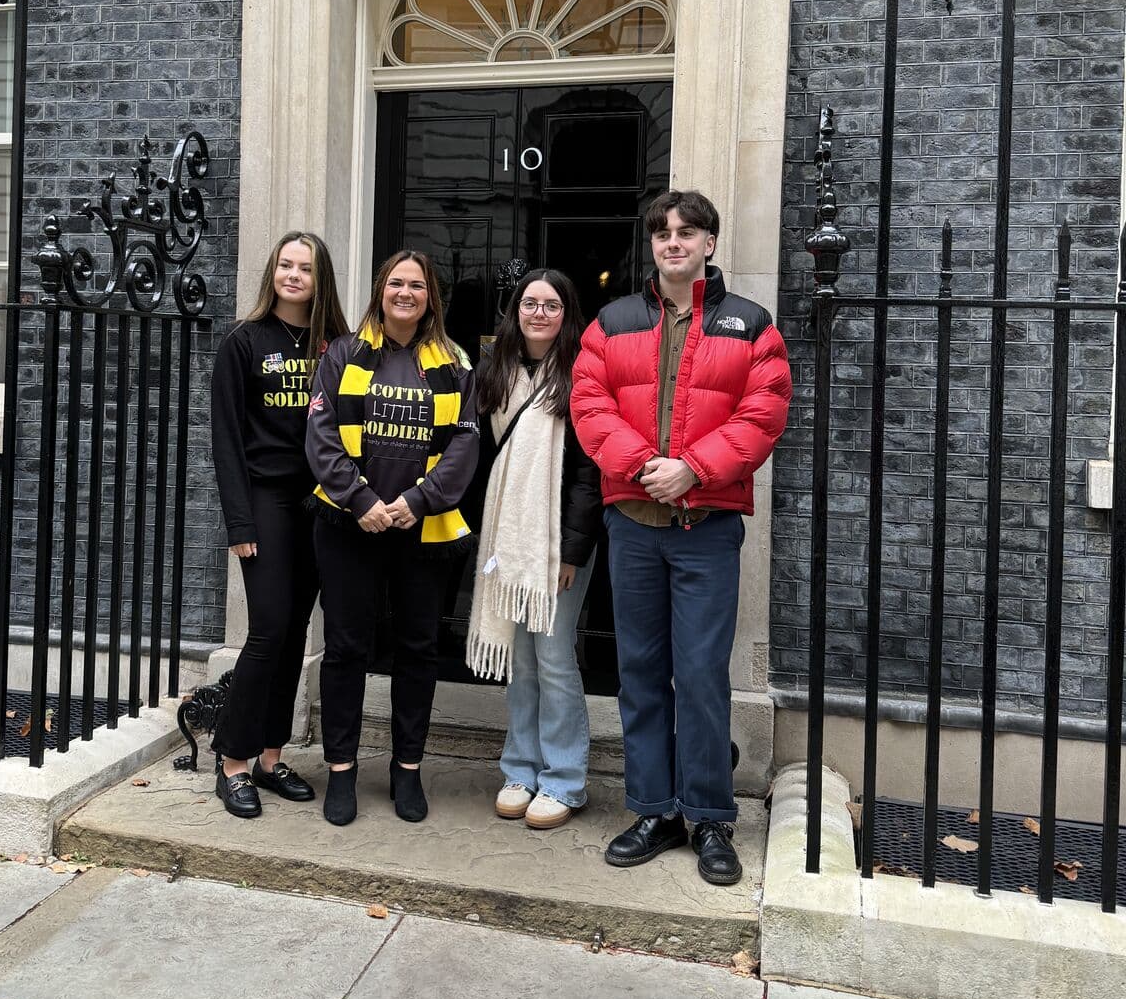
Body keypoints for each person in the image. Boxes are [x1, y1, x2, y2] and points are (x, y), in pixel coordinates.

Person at [570, 189, 791, 885]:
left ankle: (711, 817)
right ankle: (653, 810)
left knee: (699, 678)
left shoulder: (751, 325)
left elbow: (764, 412)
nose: (673, 242)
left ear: (709, 244)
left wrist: (693, 467)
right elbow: (589, 403)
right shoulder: (611, 322)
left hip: (706, 529)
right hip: (633, 527)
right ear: (652, 245)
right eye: (663, 232)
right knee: (639, 675)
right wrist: (644, 468)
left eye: (686, 232)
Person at [307, 249, 478, 827]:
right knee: (347, 649)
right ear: (381, 289)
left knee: (417, 650)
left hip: (421, 530)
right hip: (349, 527)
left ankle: (408, 769)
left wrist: (415, 502)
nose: (406, 293)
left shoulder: (454, 362)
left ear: (432, 297)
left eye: (418, 286)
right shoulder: (342, 353)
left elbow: (464, 446)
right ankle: (341, 770)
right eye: (396, 283)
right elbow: (321, 435)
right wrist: (362, 502)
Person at [209, 231, 349, 819]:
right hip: (265, 501)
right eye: (285, 265)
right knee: (267, 629)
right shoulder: (243, 343)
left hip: (319, 504)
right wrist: (239, 521)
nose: (293, 275)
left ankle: (270, 756)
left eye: (306, 268)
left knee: (295, 631)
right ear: (273, 272)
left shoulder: (336, 345)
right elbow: (226, 439)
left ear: (320, 280)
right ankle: (232, 760)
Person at [466, 269, 601, 830]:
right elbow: (475, 457)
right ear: (515, 310)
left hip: (560, 544)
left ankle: (565, 779)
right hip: (507, 539)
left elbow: (589, 472)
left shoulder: (583, 375)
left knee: (552, 655)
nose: (539, 313)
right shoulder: (492, 370)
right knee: (520, 661)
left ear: (567, 313)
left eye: (551, 304)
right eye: (529, 303)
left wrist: (570, 551)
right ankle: (520, 769)